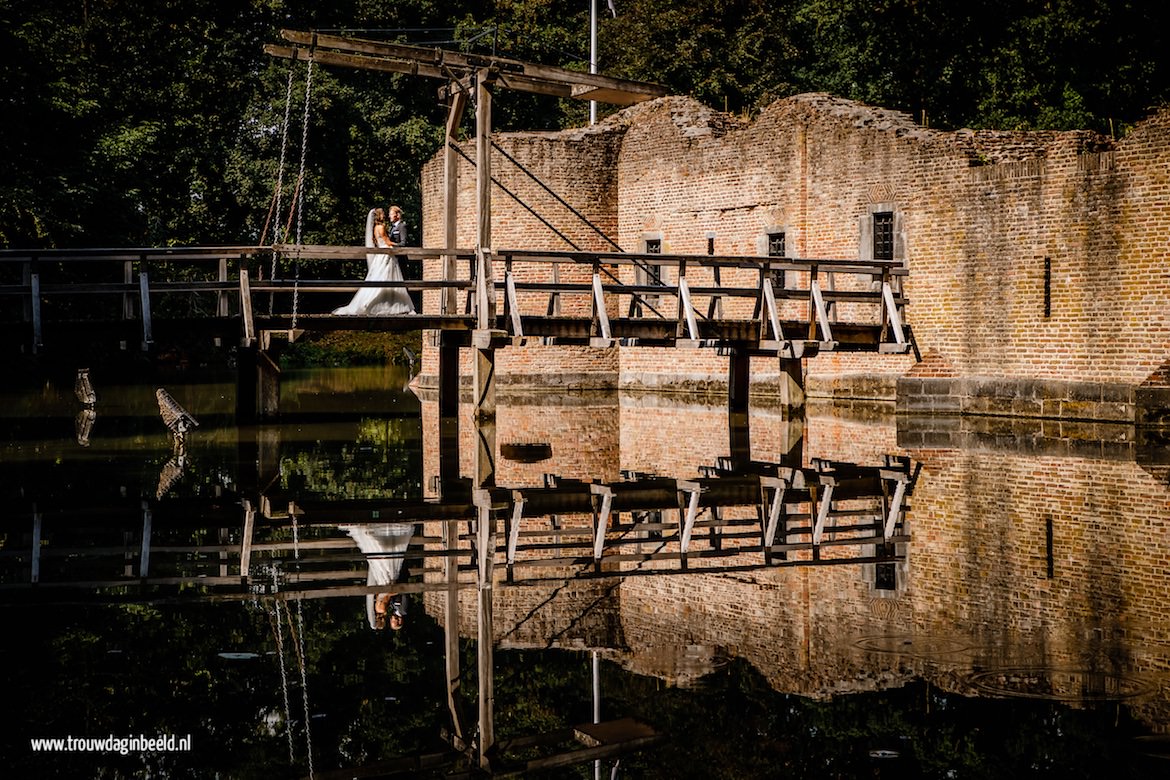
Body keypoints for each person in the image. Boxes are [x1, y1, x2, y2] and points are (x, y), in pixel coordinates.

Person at [332, 207, 414, 315]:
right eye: (383, 214)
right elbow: (388, 242)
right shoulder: (382, 227)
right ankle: (377, 303)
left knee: (382, 278)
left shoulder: (376, 228)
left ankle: (384, 302)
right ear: (379, 216)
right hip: (386, 254)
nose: (386, 215)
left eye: (389, 213)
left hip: (381, 254)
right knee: (385, 278)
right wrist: (396, 247)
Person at [339, 522, 417, 630]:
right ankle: (373, 534)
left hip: (387, 584)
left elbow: (387, 595)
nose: (389, 620)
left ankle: (381, 533)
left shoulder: (383, 609)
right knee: (382, 561)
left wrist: (396, 589)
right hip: (384, 584)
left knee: (387, 561)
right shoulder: (381, 609)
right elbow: (386, 596)